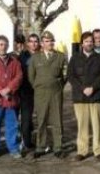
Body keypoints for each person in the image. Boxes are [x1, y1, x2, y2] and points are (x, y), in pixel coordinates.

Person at [67, 32, 100, 162]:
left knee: (97, 125)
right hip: (80, 97)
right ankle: (82, 150)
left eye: (91, 41)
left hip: (96, 95)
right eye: (86, 41)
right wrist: (83, 88)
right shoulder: (75, 58)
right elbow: (71, 76)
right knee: (82, 125)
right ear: (82, 44)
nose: (89, 43)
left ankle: (99, 150)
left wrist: (93, 88)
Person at [29, 31, 67, 159]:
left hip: (56, 93)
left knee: (57, 120)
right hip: (41, 94)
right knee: (41, 121)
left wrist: (58, 86)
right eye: (46, 41)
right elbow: (31, 76)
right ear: (42, 43)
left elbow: (65, 76)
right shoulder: (35, 58)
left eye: (51, 41)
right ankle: (40, 146)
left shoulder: (61, 57)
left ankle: (58, 147)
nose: (49, 43)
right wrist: (39, 85)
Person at [18, 33, 40, 151]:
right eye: (31, 41)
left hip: (41, 90)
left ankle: (41, 141)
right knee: (26, 118)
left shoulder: (42, 55)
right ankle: (26, 142)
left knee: (42, 117)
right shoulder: (22, 56)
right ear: (27, 43)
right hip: (26, 91)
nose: (33, 43)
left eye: (36, 41)